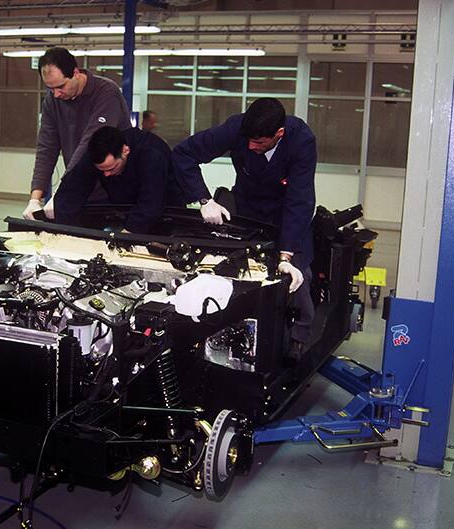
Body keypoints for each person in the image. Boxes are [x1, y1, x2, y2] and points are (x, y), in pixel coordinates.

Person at [171, 98, 316, 356]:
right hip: (248, 208)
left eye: (259, 143)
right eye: (248, 140)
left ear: (279, 134)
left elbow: (300, 200)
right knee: (239, 270)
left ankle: (298, 338)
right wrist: (204, 199)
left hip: (287, 212)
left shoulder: (301, 141)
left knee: (296, 276)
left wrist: (286, 255)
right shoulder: (237, 128)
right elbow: (184, 153)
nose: (251, 146)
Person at [23, 47, 131, 220]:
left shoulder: (106, 93)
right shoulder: (53, 100)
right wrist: (35, 198)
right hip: (80, 188)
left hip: (114, 191)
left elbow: (88, 144)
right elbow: (46, 147)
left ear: (75, 72)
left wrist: (62, 191)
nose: (56, 94)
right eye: (50, 89)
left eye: (60, 86)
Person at [53, 126, 183, 234]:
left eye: (111, 168)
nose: (106, 175)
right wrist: (66, 231)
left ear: (125, 151)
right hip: (124, 208)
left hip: (166, 212)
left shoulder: (152, 155)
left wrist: (127, 234)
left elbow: (151, 203)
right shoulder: (99, 153)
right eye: (102, 170)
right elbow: (71, 190)